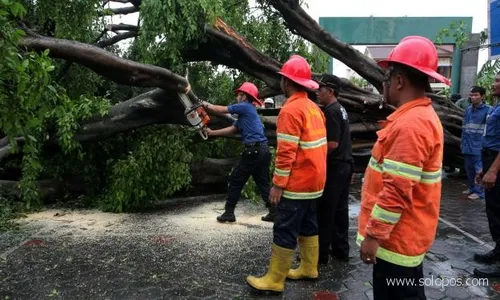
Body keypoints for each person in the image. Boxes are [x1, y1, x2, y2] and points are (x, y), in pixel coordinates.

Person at [358, 36, 447, 300]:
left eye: (386, 79)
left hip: (395, 242)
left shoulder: (410, 125)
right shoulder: (418, 118)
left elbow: (396, 191)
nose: (383, 86)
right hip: (402, 238)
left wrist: (373, 236)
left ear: (399, 81)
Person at [246, 55, 327, 293]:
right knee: (309, 225)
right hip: (315, 183)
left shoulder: (291, 110)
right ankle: (309, 268)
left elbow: (286, 152)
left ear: (287, 83)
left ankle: (274, 280)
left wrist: (278, 184)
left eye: (282, 79)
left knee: (285, 227)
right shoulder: (314, 108)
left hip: (297, 184)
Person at [202, 82, 275, 223]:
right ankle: (274, 212)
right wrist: (212, 133)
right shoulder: (247, 114)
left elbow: (220, 110)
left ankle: (229, 213)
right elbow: (232, 129)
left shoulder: (245, 106)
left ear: (245, 96)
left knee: (236, 179)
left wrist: (204, 104)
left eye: (239, 94)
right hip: (263, 151)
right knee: (263, 183)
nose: (237, 96)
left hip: (253, 151)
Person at [315, 74, 353, 264]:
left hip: (336, 165)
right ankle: (341, 250)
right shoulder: (341, 109)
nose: (317, 91)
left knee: (326, 210)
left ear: (330, 91)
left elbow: (332, 144)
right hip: (346, 165)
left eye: (320, 89)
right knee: (340, 210)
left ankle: (320, 255)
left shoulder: (331, 111)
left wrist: (314, 154)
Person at [472, 72, 500, 277]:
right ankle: (498, 251)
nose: (495, 83)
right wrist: (485, 167)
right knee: (494, 211)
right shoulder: (497, 106)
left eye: (499, 80)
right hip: (491, 158)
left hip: (497, 163)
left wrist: (493, 169)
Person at [461, 86, 492, 200]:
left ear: (482, 96)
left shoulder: (488, 110)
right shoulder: (468, 110)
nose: (473, 97)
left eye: (476, 95)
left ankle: (479, 192)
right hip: (467, 145)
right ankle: (471, 188)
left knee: (478, 170)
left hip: (479, 146)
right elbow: (464, 128)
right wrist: (462, 143)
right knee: (468, 169)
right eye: (471, 95)